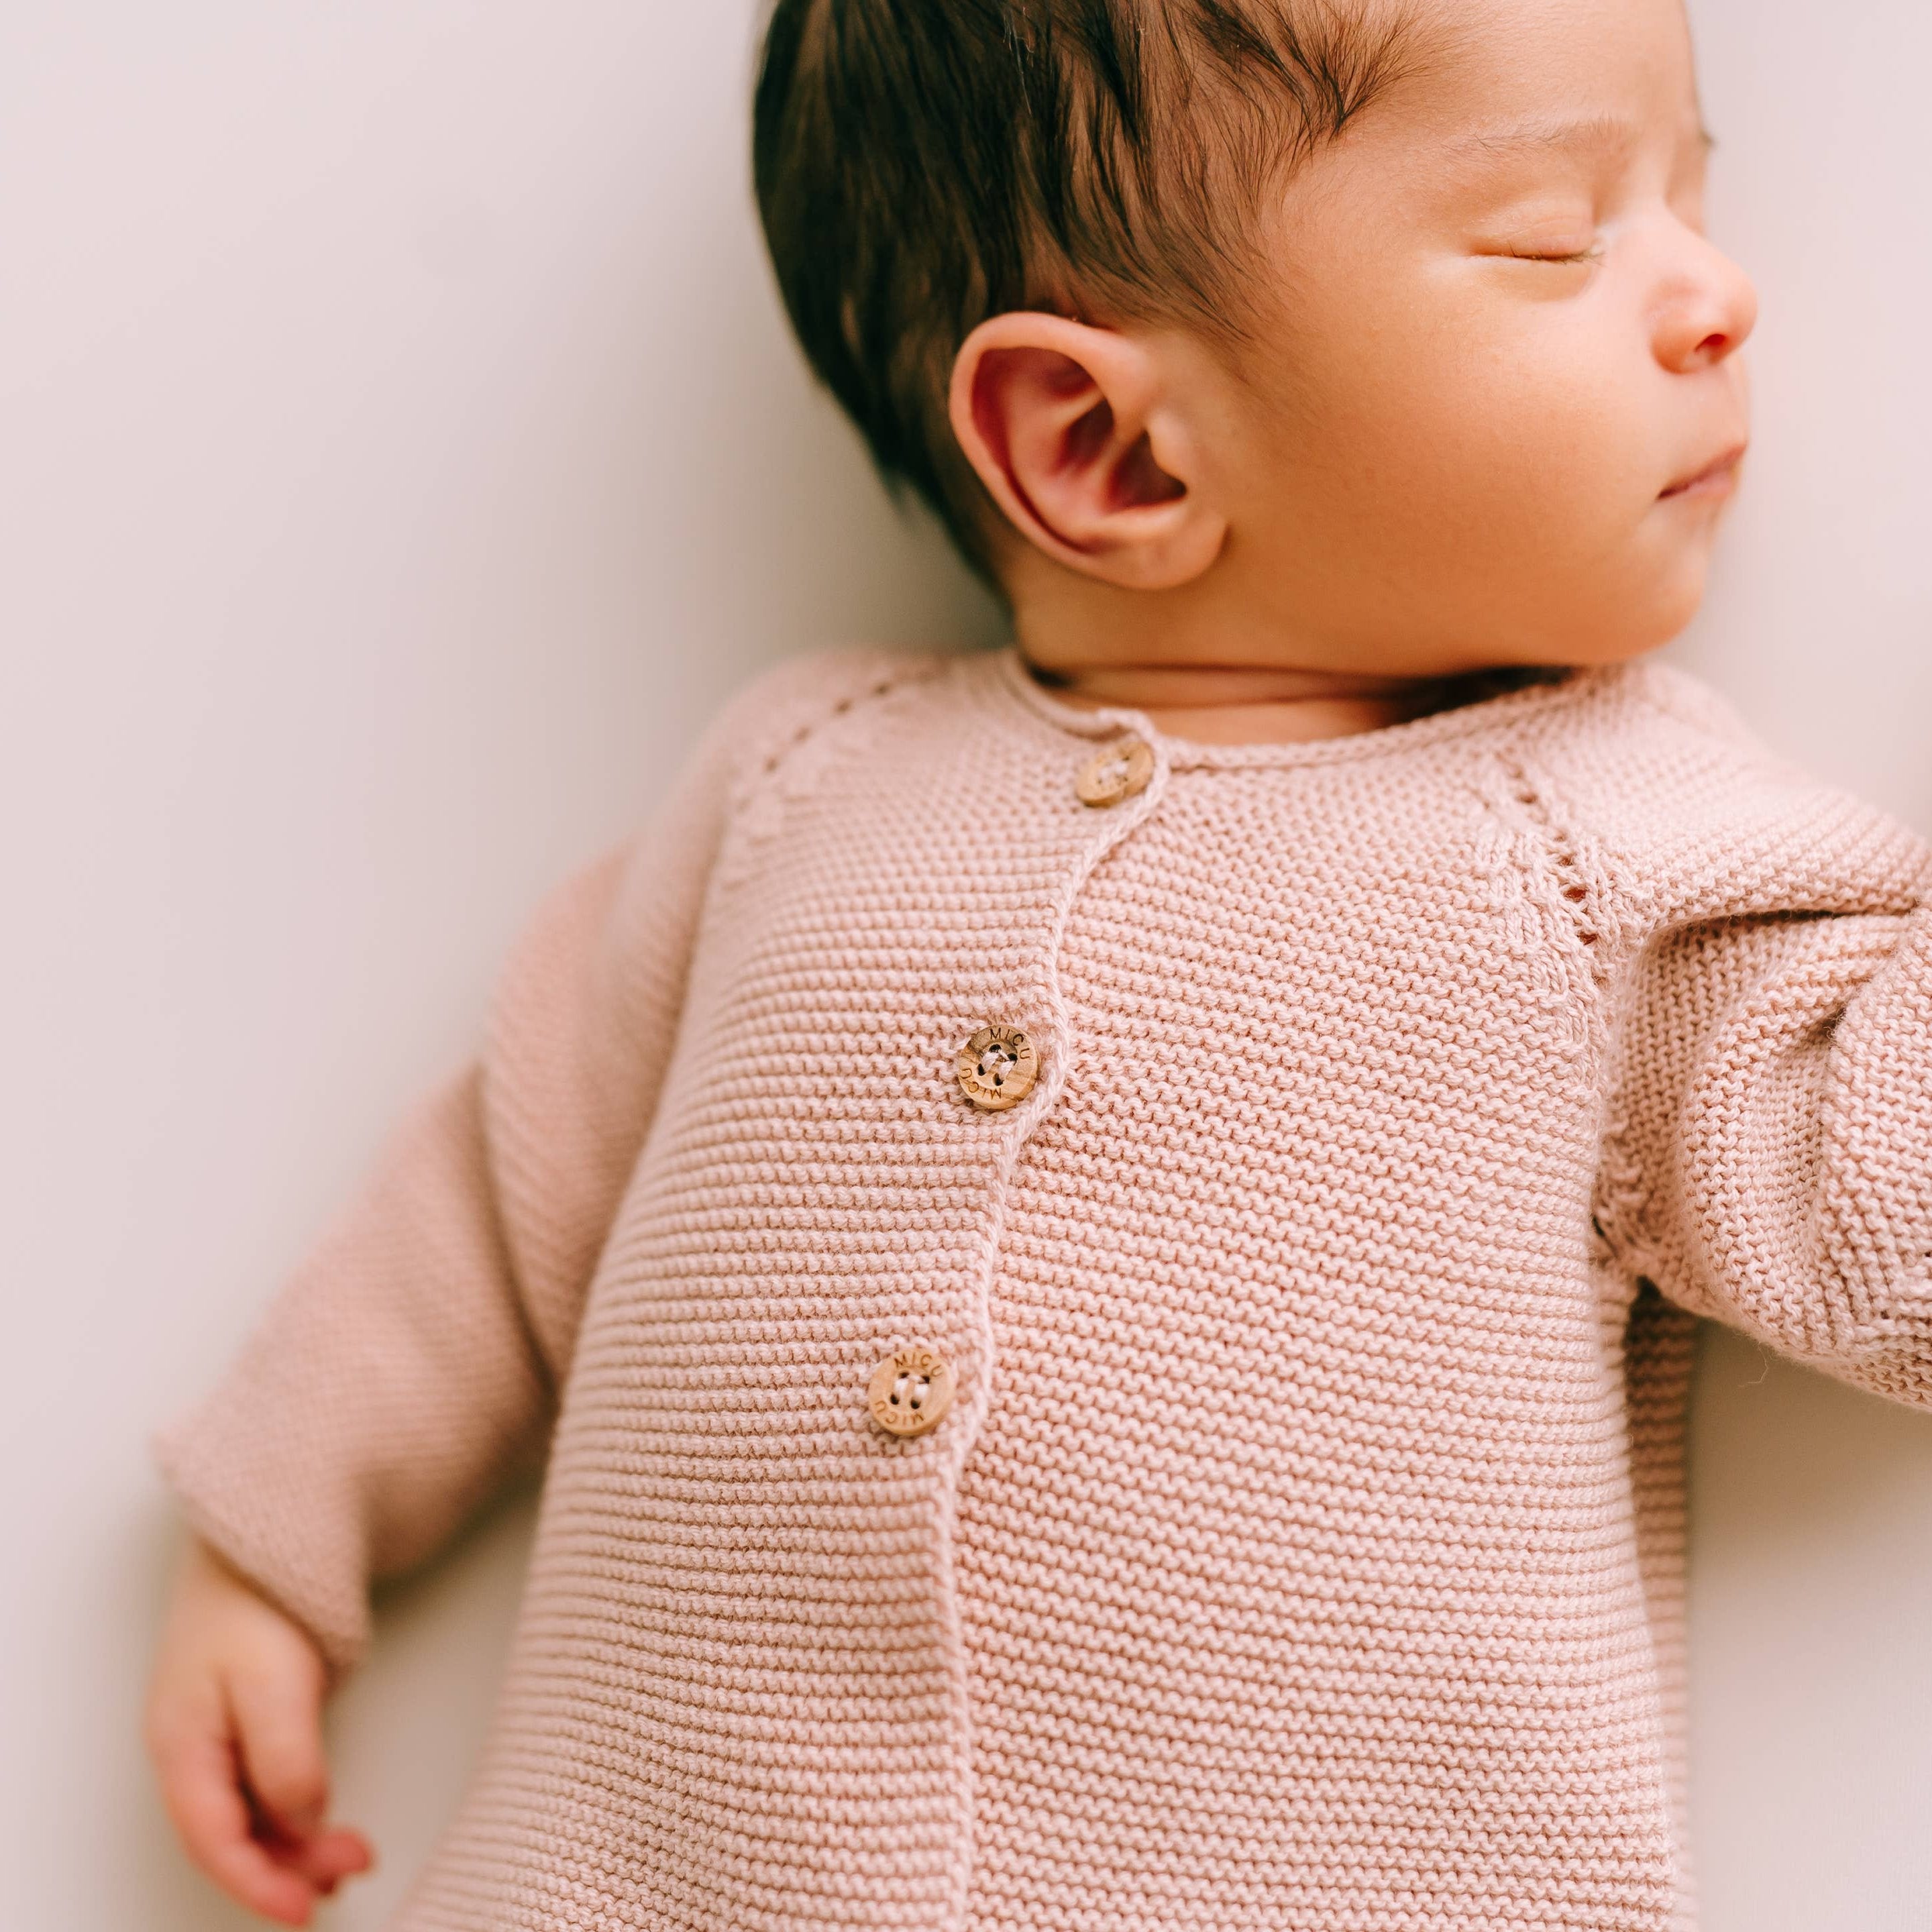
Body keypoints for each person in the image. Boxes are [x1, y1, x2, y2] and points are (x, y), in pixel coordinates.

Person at [142, 0, 1932, 1925]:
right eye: (1558, 236)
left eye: (1692, 197)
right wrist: (272, 1543)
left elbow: (1883, 1234)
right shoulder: (796, 791)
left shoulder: (1609, 849)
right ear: (1108, 449)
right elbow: (495, 1206)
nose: (1718, 294)